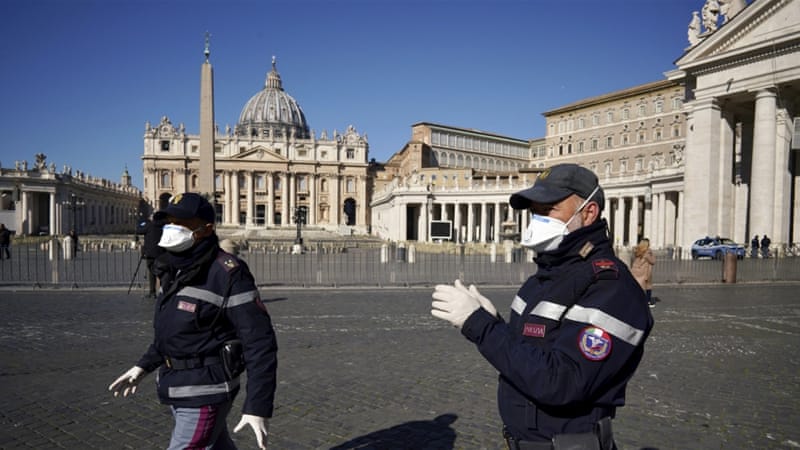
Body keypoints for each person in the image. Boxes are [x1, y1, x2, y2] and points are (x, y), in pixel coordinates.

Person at [431, 164, 654, 449]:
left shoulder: (611, 287)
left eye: (549, 210)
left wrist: (480, 326)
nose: (537, 219)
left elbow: (561, 382)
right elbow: (529, 353)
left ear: (588, 212)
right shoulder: (547, 276)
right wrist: (495, 322)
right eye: (535, 211)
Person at [108, 193, 278, 450]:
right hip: (177, 385)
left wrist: (257, 406)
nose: (172, 229)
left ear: (206, 229)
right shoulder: (174, 269)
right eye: (169, 222)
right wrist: (143, 366)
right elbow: (173, 332)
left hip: (205, 390)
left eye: (182, 224)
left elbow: (259, 341)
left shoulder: (228, 273)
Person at [137, 216, 166, 298]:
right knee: (162, 272)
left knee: (152, 272)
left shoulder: (149, 225)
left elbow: (138, 230)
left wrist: (143, 222)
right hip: (161, 252)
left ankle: (152, 292)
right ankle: (162, 291)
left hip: (150, 253)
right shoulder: (163, 226)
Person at [631, 238, 656, 308]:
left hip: (636, 272)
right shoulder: (647, 253)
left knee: (637, 287)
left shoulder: (636, 251)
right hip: (644, 272)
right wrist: (651, 253)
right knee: (648, 287)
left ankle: (635, 300)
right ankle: (647, 301)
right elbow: (653, 261)